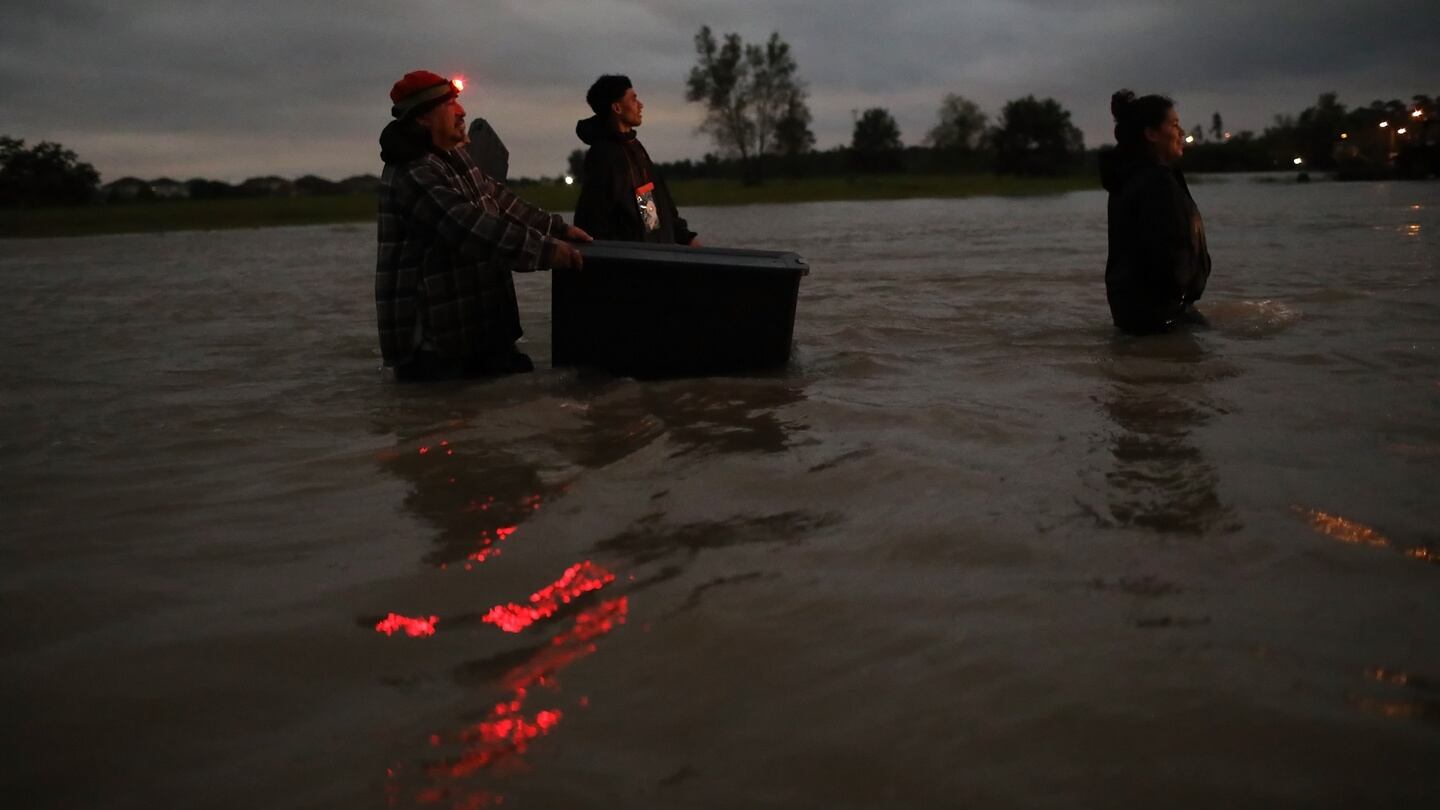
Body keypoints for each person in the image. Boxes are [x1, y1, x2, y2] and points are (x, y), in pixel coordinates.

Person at [376, 70, 591, 381]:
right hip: (436, 350)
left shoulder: (454, 156)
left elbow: (498, 199)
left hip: (477, 333)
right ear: (423, 118)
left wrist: (557, 229)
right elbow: (469, 226)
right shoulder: (412, 172)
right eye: (449, 105)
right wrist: (546, 251)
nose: (462, 112)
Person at [1100, 90, 1211, 334]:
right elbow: (1169, 251)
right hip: (1161, 315)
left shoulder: (1130, 178)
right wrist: (1181, 292)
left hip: (1138, 312)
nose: (1181, 132)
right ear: (1150, 134)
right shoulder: (1154, 183)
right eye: (1174, 124)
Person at [573, 75, 700, 246]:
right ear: (617, 108)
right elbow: (593, 219)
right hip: (628, 262)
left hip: (649, 258)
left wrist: (685, 238)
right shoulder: (604, 155)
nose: (640, 105)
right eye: (633, 99)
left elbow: (648, 211)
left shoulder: (633, 148)